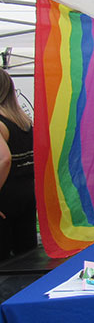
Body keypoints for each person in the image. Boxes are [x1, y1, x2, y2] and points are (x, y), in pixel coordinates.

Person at [0, 69, 36, 258]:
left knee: (5, 262)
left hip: (5, 196)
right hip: (26, 192)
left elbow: (4, 159)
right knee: (27, 256)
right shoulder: (24, 121)